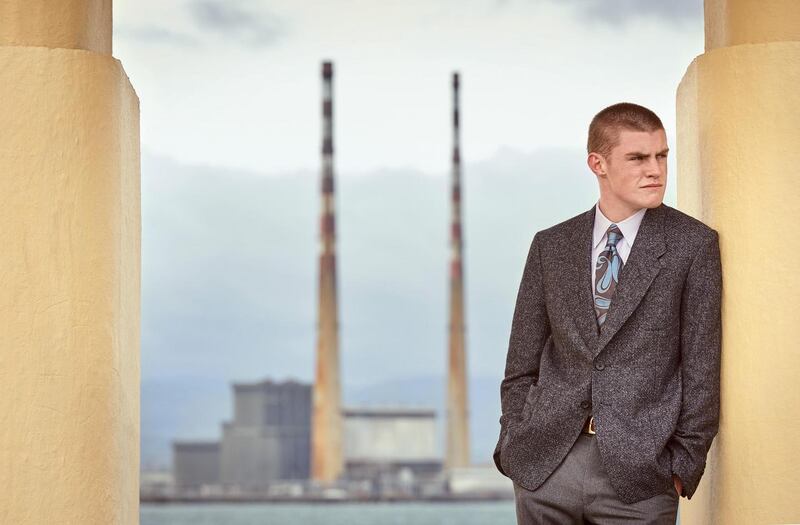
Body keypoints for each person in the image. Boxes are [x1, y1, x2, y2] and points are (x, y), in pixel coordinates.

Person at [493, 102, 722, 523]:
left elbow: (702, 371)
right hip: (546, 466)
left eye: (661, 156)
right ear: (597, 163)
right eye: (637, 158)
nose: (655, 170)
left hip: (641, 478)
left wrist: (680, 466)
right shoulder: (551, 246)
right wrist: (515, 443)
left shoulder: (693, 246)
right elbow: (521, 365)